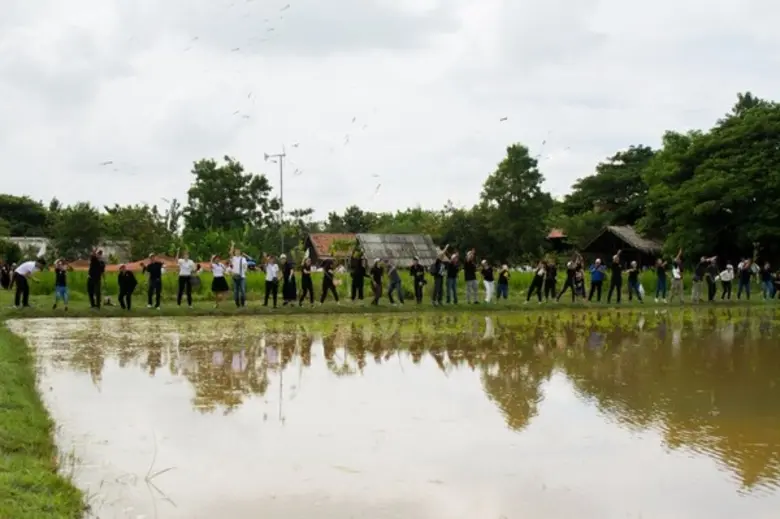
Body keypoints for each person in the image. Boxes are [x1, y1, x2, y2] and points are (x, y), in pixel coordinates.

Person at [229, 243, 248, 307]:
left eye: (238, 251)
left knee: (243, 290)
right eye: (236, 251)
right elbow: (230, 253)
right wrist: (232, 245)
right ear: (234, 252)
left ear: (240, 252)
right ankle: (237, 303)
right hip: (235, 276)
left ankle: (243, 302)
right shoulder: (233, 258)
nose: (237, 252)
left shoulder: (243, 258)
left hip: (242, 276)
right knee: (236, 291)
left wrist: (245, 270)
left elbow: (245, 266)